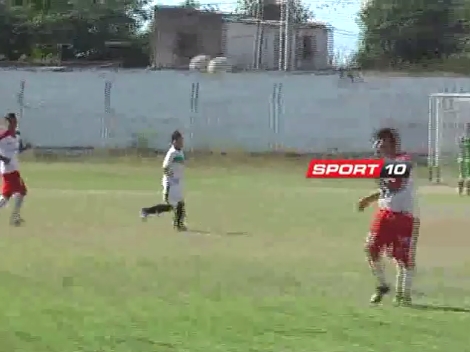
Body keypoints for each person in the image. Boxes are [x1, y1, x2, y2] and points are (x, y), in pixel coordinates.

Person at [358, 127, 420, 306]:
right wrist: (369, 199)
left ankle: (404, 295)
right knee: (370, 248)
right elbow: (386, 189)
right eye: (378, 142)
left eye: (383, 142)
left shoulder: (404, 160)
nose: (379, 145)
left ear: (392, 143)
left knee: (403, 258)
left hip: (405, 215)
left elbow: (396, 182)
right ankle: (382, 285)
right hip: (385, 213)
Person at [140, 130, 187, 231]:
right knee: (172, 205)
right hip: (170, 184)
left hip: (177, 184)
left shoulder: (180, 152)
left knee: (178, 204)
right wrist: (171, 178)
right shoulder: (172, 152)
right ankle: (146, 211)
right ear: (174, 141)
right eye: (180, 140)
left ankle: (178, 224)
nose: (182, 142)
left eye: (182, 140)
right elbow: (165, 167)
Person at [0, 113, 29, 226]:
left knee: (7, 196)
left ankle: (15, 217)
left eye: (13, 121)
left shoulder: (17, 136)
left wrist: (26, 148)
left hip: (14, 169)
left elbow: (17, 150)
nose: (12, 124)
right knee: (21, 192)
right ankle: (14, 218)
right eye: (9, 122)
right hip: (8, 170)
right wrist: (3, 158)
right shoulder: (3, 136)